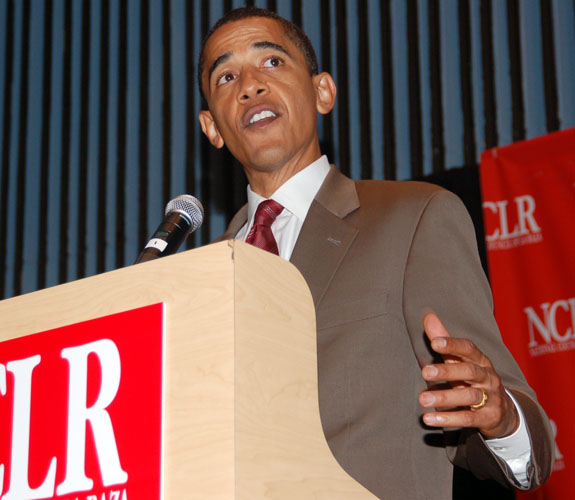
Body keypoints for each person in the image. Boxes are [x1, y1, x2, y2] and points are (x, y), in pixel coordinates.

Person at [197, 7, 553, 499]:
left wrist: (502, 418)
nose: (251, 85)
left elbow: (518, 441)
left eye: (272, 63)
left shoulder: (414, 219)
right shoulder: (198, 281)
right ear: (211, 127)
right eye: (227, 76)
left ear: (323, 91)